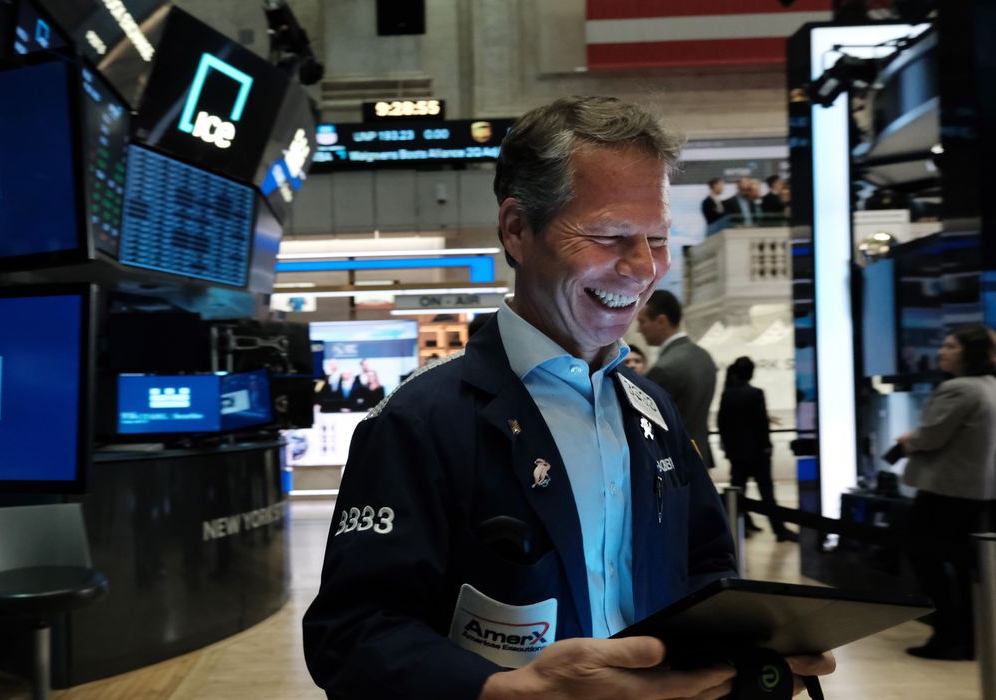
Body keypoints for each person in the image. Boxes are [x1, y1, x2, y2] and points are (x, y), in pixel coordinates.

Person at [302, 95, 833, 699]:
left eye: (656, 239)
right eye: (608, 236)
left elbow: (705, 570)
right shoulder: (420, 421)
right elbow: (350, 636)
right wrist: (504, 693)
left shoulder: (650, 408)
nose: (640, 269)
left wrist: (749, 657)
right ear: (517, 230)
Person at [897, 324, 996, 661]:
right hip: (975, 492)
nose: (941, 351)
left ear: (969, 352)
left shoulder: (959, 389)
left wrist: (908, 441)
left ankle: (949, 634)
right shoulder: (988, 387)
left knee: (928, 561)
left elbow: (931, 436)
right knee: (963, 566)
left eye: (951, 345)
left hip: (945, 491)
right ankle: (966, 635)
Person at [717, 357, 798, 542]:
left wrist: (729, 449)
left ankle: (739, 528)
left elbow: (723, 424)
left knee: (738, 494)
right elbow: (761, 425)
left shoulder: (727, 394)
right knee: (767, 494)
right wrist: (767, 447)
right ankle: (779, 530)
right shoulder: (755, 393)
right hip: (757, 454)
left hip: (737, 454)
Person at [637, 290, 718, 470]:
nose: (638, 329)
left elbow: (649, 429)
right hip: (700, 457)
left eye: (642, 322)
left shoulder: (664, 369)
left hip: (675, 466)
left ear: (661, 321)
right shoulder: (703, 357)